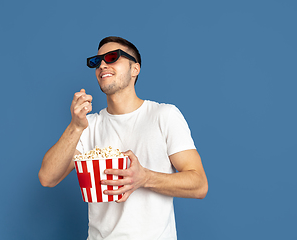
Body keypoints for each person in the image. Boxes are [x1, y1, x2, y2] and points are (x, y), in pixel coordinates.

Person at [38, 36, 208, 240]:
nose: (102, 65)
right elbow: (47, 178)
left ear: (135, 69)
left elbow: (199, 184)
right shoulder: (88, 126)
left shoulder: (164, 115)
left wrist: (145, 178)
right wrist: (75, 126)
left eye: (112, 57)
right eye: (96, 61)